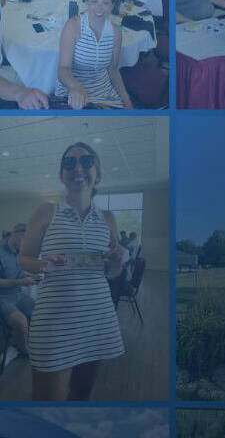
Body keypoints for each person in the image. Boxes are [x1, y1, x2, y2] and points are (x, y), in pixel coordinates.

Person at [21, 143, 125, 400]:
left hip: (96, 320)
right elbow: (25, 259)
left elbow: (110, 273)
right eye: (69, 163)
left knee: (82, 395)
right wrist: (45, 264)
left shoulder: (108, 218)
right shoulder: (46, 211)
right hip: (54, 323)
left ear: (97, 174)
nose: (77, 167)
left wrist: (117, 262)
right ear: (61, 176)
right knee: (47, 404)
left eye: (86, 161)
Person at [55, 0, 134, 109]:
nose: (99, 7)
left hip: (102, 91)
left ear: (112, 6)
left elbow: (113, 70)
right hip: (72, 90)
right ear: (86, 3)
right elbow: (63, 68)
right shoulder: (73, 26)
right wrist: (75, 86)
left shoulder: (116, 32)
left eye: (105, 3)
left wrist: (127, 100)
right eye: (94, 1)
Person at [0, 223, 37, 355]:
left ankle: (27, 340)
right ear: (16, 235)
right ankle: (24, 349)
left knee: (40, 312)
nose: (26, 244)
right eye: (25, 240)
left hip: (18, 294)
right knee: (20, 321)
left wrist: (30, 277)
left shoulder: (19, 253)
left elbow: (18, 273)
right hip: (3, 298)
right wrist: (20, 281)